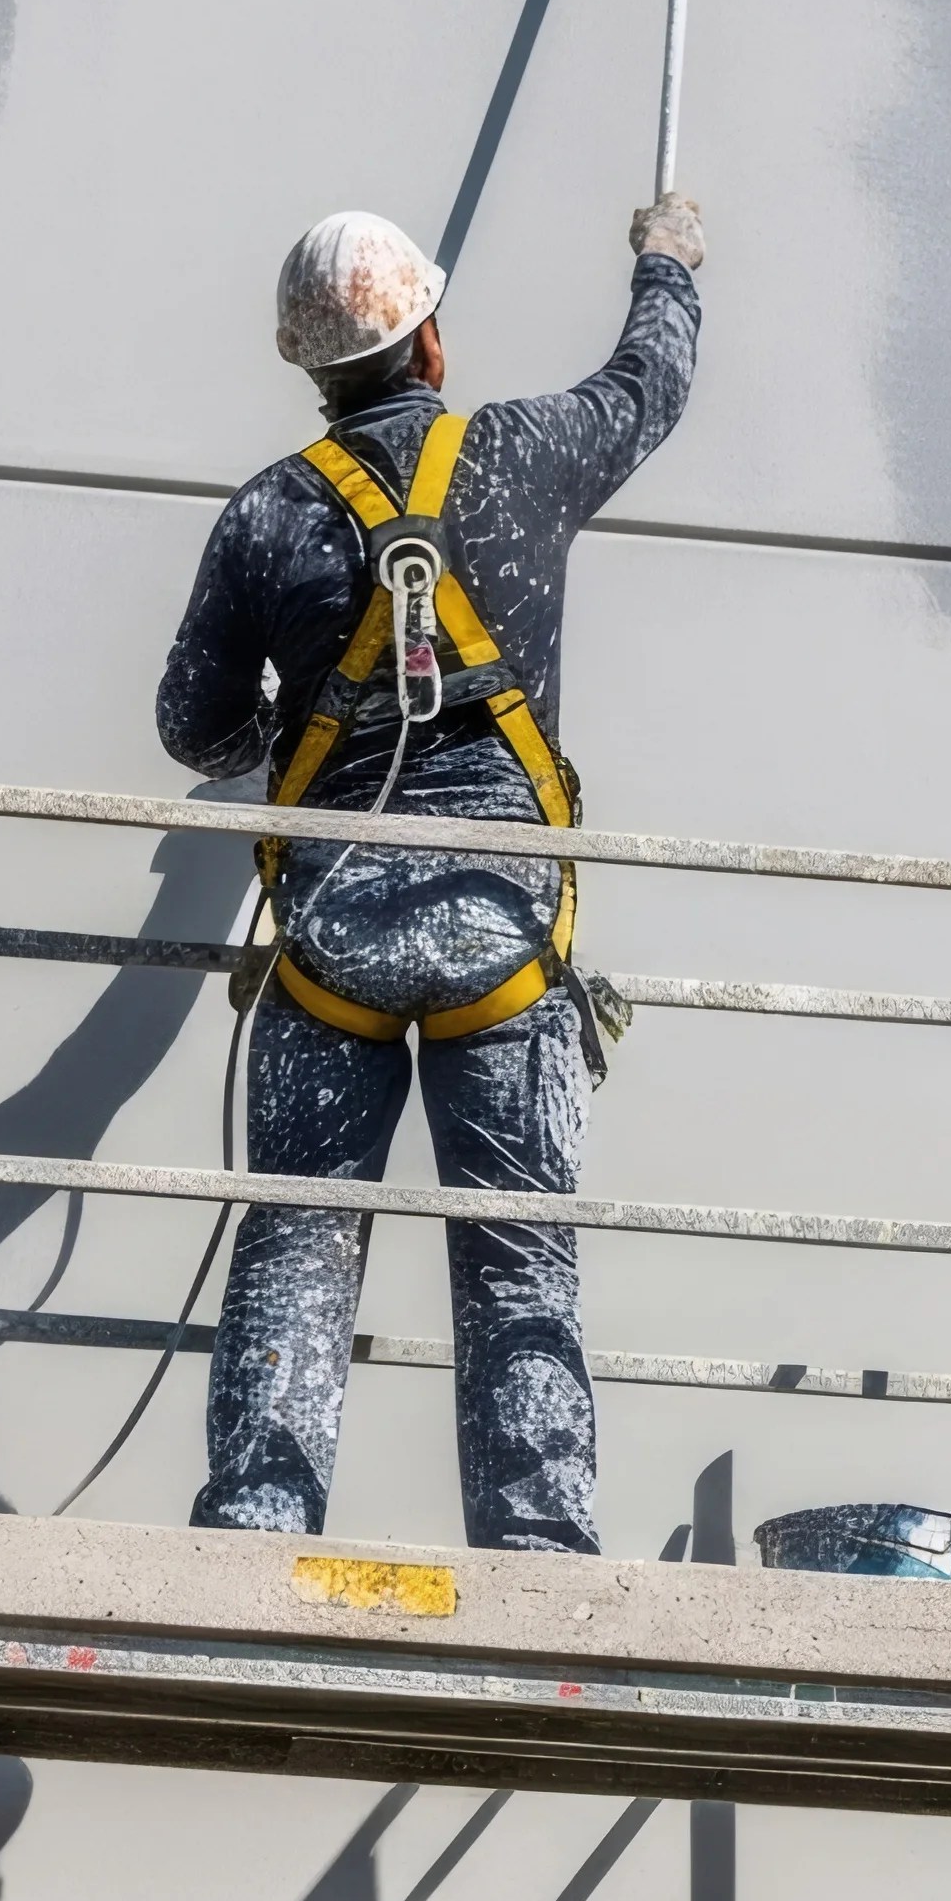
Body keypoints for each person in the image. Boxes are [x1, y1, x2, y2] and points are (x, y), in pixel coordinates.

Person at [157, 194, 707, 1550]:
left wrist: (287, 733)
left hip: (331, 938)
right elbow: (651, 387)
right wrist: (668, 264)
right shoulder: (522, 456)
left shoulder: (271, 514)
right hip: (501, 933)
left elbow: (193, 724)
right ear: (434, 346)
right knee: (519, 1257)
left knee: (297, 1244)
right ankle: (536, 1541)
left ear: (310, 366)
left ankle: (261, 1522)